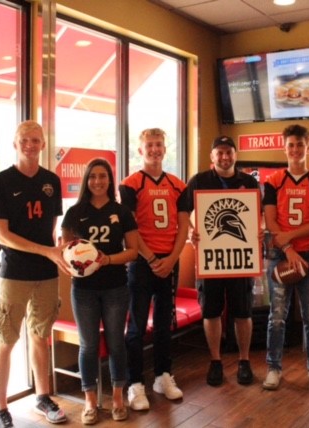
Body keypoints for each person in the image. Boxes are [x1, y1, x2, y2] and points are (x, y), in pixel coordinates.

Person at [0, 120, 71, 428]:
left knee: (40, 334)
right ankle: (0, 409)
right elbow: (1, 235)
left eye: (35, 140)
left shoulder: (51, 181)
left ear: (44, 145)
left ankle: (43, 396)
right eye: (24, 139)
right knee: (5, 337)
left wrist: (61, 250)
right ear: (14, 143)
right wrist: (46, 250)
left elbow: (50, 230)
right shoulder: (0, 182)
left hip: (46, 273)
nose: (30, 145)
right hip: (14, 273)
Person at [61, 158, 139, 424]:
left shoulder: (122, 211)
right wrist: (74, 264)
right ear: (86, 180)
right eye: (92, 176)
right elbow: (65, 251)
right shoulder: (74, 212)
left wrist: (106, 259)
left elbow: (133, 251)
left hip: (116, 288)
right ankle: (91, 402)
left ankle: (117, 398)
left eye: (103, 176)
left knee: (117, 343)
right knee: (88, 346)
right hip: (83, 290)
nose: (97, 181)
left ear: (110, 179)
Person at [119, 128, 190, 411]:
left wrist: (172, 259)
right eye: (149, 145)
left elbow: (183, 225)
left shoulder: (178, 184)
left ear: (165, 148)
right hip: (141, 261)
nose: (154, 149)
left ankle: (163, 375)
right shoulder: (130, 183)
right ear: (140, 150)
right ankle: (135, 383)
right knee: (136, 324)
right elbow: (130, 229)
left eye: (159, 144)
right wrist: (151, 259)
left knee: (164, 321)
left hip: (168, 259)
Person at [181, 135, 260, 387]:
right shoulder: (199, 180)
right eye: (220, 152)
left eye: (229, 152)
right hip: (210, 259)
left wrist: (261, 229)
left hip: (241, 259)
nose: (225, 157)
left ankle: (244, 361)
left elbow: (263, 215)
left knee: (243, 311)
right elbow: (182, 212)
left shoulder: (248, 181)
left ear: (235, 155)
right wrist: (191, 230)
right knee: (211, 311)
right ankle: (215, 361)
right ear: (212, 156)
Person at [262, 124, 309, 392]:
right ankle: (273, 367)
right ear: (285, 148)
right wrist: (288, 248)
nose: (295, 150)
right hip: (281, 254)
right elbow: (269, 219)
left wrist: (290, 239)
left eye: (300, 145)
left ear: (307, 146)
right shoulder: (273, 181)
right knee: (276, 315)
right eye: (291, 145)